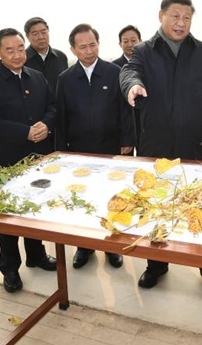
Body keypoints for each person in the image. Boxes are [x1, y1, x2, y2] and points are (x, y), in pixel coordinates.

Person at [120, 0, 202, 295]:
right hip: (156, 145)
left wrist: (200, 118)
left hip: (196, 145)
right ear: (161, 16)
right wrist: (133, 86)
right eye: (175, 16)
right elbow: (129, 73)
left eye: (187, 18)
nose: (181, 23)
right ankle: (156, 264)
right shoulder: (143, 51)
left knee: (199, 207)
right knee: (156, 205)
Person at [0, 28, 58, 294]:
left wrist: (46, 124)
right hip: (8, 161)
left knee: (35, 209)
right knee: (8, 216)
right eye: (9, 50)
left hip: (39, 159)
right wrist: (25, 132)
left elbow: (53, 107)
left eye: (20, 48)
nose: (17, 54)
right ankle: (9, 268)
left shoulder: (37, 77)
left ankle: (36, 255)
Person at [56, 24, 133, 269]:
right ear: (73, 50)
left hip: (111, 148)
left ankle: (112, 246)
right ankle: (84, 246)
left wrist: (127, 142)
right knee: (83, 199)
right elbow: (61, 118)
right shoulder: (66, 79)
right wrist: (61, 151)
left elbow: (125, 111)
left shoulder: (114, 71)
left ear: (99, 44)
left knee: (112, 198)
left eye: (93, 45)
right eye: (83, 47)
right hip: (79, 151)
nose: (89, 51)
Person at [24, 16, 68, 95]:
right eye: (35, 34)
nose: (41, 37)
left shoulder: (61, 57)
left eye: (44, 32)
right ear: (27, 36)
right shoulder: (22, 59)